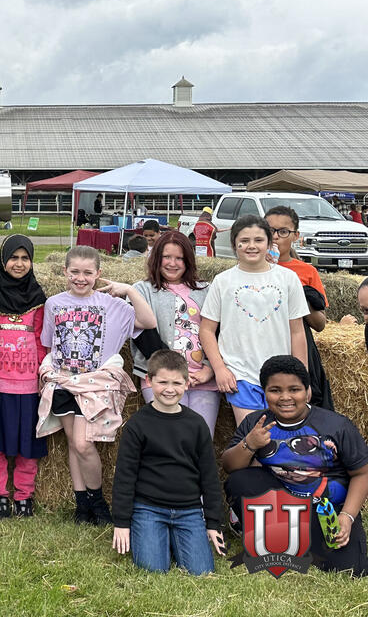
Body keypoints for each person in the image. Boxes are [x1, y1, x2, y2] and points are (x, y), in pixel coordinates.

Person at [36, 245, 155, 525]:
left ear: (98, 274)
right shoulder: (54, 303)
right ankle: (82, 505)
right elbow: (50, 344)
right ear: (64, 271)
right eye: (75, 272)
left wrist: (129, 290)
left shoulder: (113, 305)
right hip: (64, 381)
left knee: (83, 443)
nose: (81, 278)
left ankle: (97, 501)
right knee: (73, 443)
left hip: (94, 385)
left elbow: (148, 322)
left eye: (88, 273)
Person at [222, 356, 368, 575]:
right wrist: (249, 444)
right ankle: (279, 536)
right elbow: (229, 466)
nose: (285, 397)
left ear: (307, 391)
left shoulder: (336, 425)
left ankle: (296, 541)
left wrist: (347, 516)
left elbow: (362, 473)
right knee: (240, 480)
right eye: (275, 390)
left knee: (350, 570)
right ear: (264, 392)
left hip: (327, 509)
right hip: (285, 508)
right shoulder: (255, 422)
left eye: (294, 389)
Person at [111, 350, 225, 574]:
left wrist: (213, 522)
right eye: (163, 382)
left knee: (202, 572)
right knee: (153, 571)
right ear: (149, 380)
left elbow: (209, 476)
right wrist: (122, 522)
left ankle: (176, 538)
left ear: (186, 384)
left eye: (176, 383)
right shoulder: (137, 424)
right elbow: (125, 475)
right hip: (149, 509)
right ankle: (157, 537)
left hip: (189, 510)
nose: (169, 389)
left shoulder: (196, 424)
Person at [199, 215, 309, 425]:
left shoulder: (288, 278)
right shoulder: (223, 281)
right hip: (240, 374)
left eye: (258, 240)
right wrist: (220, 369)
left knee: (282, 437)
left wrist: (303, 377)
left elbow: (297, 331)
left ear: (269, 243)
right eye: (244, 240)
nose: (252, 246)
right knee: (253, 436)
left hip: (281, 374)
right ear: (234, 244)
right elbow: (206, 330)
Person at [0, 234, 49, 518]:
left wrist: (44, 377)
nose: (19, 264)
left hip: (29, 388)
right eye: (13, 258)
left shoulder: (38, 299)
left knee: (27, 445)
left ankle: (24, 496)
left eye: (25, 258)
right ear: (2, 260)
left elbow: (42, 341)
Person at [130, 232, 219, 435]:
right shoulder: (141, 291)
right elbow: (142, 335)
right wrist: (171, 372)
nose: (172, 263)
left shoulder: (206, 290)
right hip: (162, 379)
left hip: (202, 378)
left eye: (179, 258)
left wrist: (209, 369)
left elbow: (220, 332)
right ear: (156, 258)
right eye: (166, 257)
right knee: (169, 438)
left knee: (203, 437)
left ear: (188, 260)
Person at [265, 205, 334, 410]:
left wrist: (297, 294)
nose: (275, 236)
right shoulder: (249, 267)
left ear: (296, 236)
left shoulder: (306, 271)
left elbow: (320, 324)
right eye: (270, 230)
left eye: (283, 231)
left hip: (296, 344)